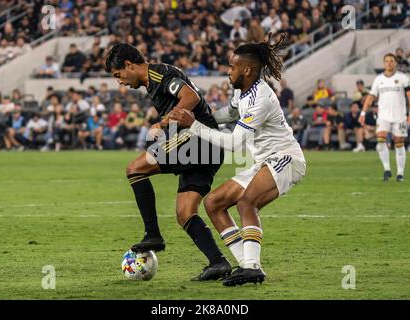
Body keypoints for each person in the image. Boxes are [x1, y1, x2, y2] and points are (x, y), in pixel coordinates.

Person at [170, 34, 306, 286]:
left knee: (246, 203)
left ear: (247, 69)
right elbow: (228, 114)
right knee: (214, 203)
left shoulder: (260, 98)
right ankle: (245, 266)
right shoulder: (242, 92)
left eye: (232, 66)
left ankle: (253, 268)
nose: (227, 71)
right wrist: (194, 118)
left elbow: (234, 142)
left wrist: (195, 126)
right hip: (262, 162)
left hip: (285, 158)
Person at [105, 43, 231, 281]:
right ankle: (218, 263)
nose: (119, 82)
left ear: (129, 65)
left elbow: (190, 97)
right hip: (209, 147)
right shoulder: (153, 81)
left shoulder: (159, 74)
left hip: (199, 140)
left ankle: (152, 234)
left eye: (118, 75)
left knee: (135, 169)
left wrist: (163, 123)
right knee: (185, 213)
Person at [359, 53, 410, 182]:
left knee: (399, 142)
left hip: (399, 116)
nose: (389, 63)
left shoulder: (403, 78)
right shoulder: (379, 79)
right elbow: (371, 97)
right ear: (384, 63)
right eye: (386, 61)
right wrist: (363, 113)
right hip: (383, 116)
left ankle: (400, 173)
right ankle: (387, 169)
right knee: (380, 141)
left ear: (395, 63)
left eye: (391, 61)